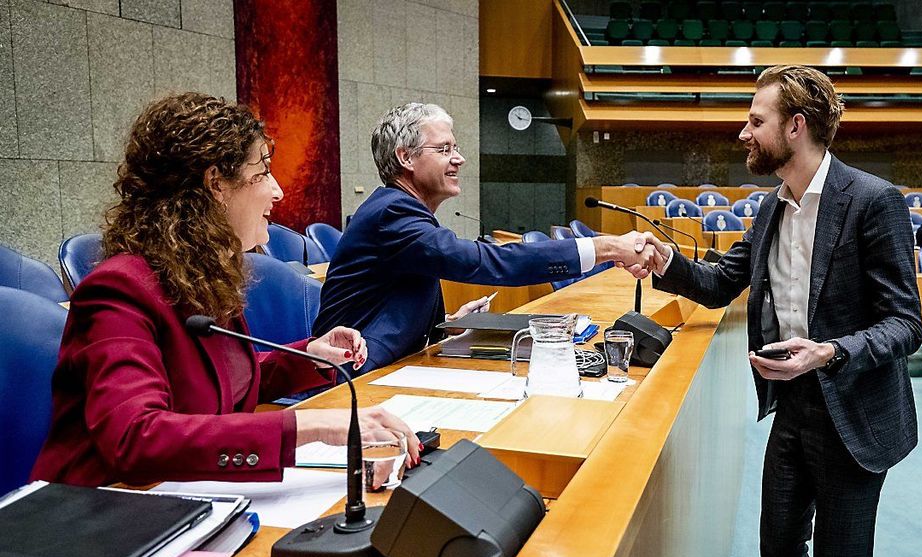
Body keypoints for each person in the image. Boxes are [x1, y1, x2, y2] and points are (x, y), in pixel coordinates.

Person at [636, 66, 922, 557]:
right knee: (778, 552)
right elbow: (722, 282)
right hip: (793, 410)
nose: (743, 132)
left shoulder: (872, 200)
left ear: (795, 127)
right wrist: (664, 262)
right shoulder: (770, 207)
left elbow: (906, 324)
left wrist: (830, 352)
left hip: (855, 416)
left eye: (755, 120)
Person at [31, 93, 419, 487]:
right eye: (262, 173)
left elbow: (217, 383)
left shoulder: (200, 275)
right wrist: (308, 424)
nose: (278, 191)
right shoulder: (118, 289)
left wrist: (309, 357)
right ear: (216, 184)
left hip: (182, 498)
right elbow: (135, 438)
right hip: (102, 515)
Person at [313, 102, 659, 374]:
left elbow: (387, 306)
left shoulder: (399, 210)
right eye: (444, 149)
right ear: (406, 157)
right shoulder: (393, 213)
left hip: (383, 369)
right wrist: (606, 247)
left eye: (456, 147)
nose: (459, 159)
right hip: (349, 382)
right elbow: (489, 262)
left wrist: (445, 325)